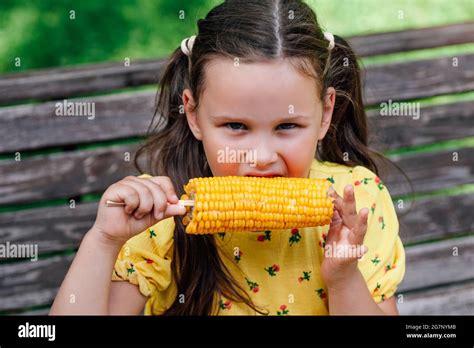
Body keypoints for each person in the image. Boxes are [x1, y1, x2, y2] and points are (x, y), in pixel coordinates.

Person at [50, 0, 405, 316]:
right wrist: (103, 240)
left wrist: (343, 277)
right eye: (235, 125)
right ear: (193, 114)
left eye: (287, 126)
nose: (262, 157)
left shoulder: (357, 202)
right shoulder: (161, 217)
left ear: (326, 113)